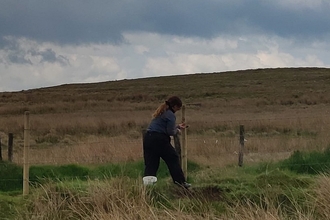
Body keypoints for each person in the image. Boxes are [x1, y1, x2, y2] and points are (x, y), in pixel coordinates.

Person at [143, 96, 191, 188]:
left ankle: (148, 187)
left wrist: (177, 126)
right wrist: (177, 131)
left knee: (151, 164)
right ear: (174, 106)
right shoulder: (170, 115)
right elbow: (170, 132)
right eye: (178, 108)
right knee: (173, 158)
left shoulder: (161, 112)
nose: (178, 110)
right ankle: (180, 183)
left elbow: (163, 127)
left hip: (148, 138)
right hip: (159, 140)